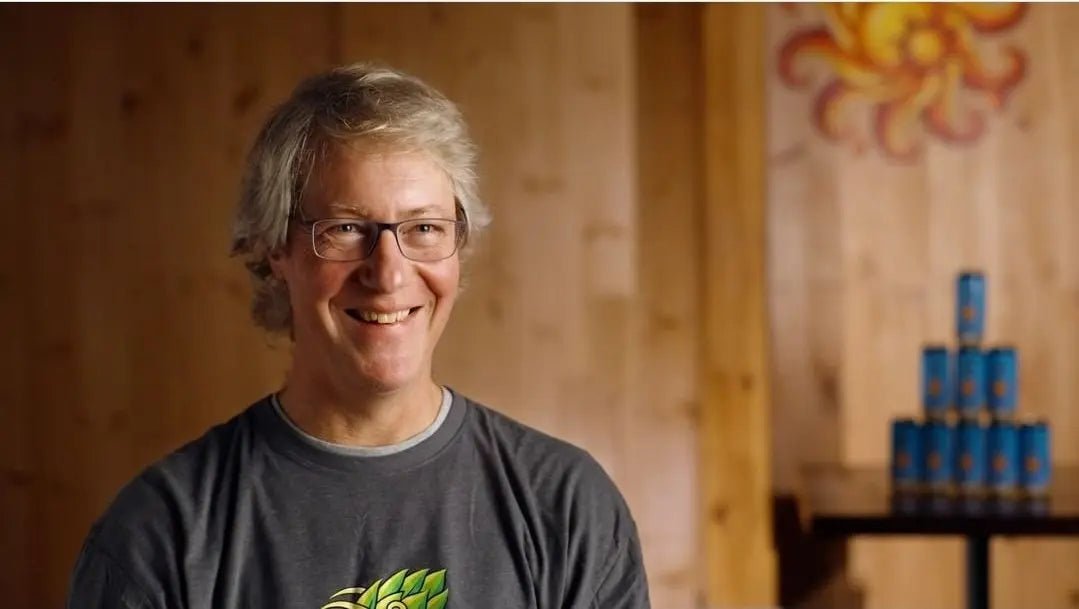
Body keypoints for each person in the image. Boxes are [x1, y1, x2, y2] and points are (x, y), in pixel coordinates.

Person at [67, 62, 650, 609]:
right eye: (346, 228)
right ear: (276, 247)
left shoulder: (566, 507)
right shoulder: (160, 533)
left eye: (424, 228)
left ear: (460, 244)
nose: (389, 274)